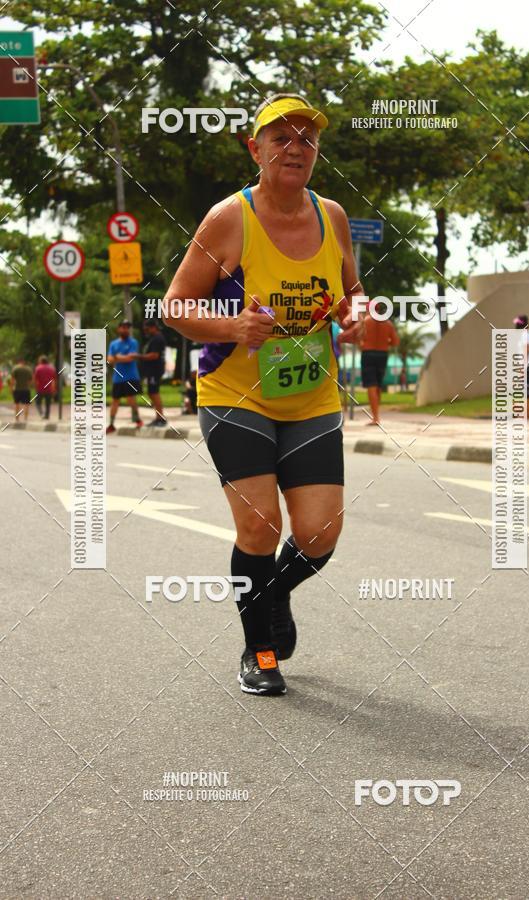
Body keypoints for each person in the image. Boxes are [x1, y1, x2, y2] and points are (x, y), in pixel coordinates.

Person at [163, 93, 364, 696]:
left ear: (316, 153)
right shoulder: (229, 219)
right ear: (256, 150)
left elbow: (354, 290)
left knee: (320, 534)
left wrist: (358, 314)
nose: (295, 147)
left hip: (311, 397)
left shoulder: (332, 216)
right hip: (235, 394)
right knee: (259, 527)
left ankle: (271, 598)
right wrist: (232, 327)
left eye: (306, 138)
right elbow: (175, 306)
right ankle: (260, 651)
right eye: (281, 137)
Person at [360, 302, 399, 425]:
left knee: (371, 385)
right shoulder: (387, 323)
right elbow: (395, 342)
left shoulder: (365, 321)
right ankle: (377, 416)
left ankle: (375, 418)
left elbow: (358, 338)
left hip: (368, 353)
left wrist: (362, 344)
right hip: (382, 354)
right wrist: (384, 342)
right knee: (378, 385)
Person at [106, 320, 143, 434]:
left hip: (131, 376)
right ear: (119, 329)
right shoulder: (114, 344)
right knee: (115, 401)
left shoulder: (133, 342)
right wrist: (119, 357)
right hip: (118, 377)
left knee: (131, 399)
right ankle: (111, 424)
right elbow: (109, 360)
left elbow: (130, 358)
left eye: (127, 328)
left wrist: (117, 357)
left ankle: (137, 419)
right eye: (123, 327)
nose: (125, 330)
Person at [137, 319, 167, 426]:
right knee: (151, 393)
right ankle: (158, 417)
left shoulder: (157, 339)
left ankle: (161, 418)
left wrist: (139, 356)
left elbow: (154, 355)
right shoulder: (154, 338)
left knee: (154, 393)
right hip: (152, 370)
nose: (146, 331)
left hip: (155, 370)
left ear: (153, 327)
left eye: (147, 329)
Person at [33, 355, 57, 420]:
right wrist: (54, 388)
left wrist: (35, 387)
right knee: (48, 403)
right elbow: (54, 380)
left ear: (41, 361)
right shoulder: (52, 368)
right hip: (49, 389)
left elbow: (35, 379)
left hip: (40, 389)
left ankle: (42, 414)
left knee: (37, 402)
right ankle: (47, 416)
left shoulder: (38, 368)